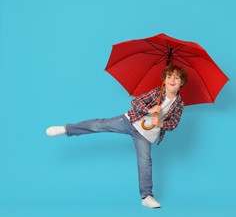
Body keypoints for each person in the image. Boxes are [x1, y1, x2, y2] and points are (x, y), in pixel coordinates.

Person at [46, 65, 188, 208]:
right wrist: (149, 109)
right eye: (169, 77)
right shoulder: (157, 93)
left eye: (176, 78)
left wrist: (162, 123)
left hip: (145, 135)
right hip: (130, 122)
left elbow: (174, 123)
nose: (172, 80)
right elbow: (135, 102)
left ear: (181, 82)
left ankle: (146, 196)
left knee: (145, 162)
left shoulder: (179, 105)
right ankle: (67, 129)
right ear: (164, 80)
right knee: (99, 124)